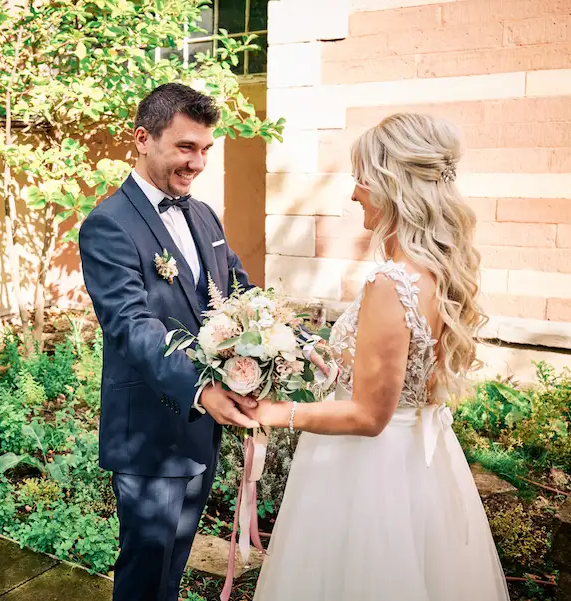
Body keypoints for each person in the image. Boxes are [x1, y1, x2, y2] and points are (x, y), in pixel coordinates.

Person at [245, 113, 511, 601]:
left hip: (368, 472)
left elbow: (369, 415)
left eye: (361, 179)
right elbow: (407, 378)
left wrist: (272, 413)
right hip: (417, 463)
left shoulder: (391, 282)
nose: (353, 194)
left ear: (392, 185)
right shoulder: (435, 271)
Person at [78, 82, 258, 601]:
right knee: (145, 570)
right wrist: (203, 390)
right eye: (185, 147)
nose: (197, 162)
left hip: (201, 429)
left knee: (173, 566)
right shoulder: (108, 224)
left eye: (205, 149)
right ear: (142, 138)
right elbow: (133, 325)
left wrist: (290, 343)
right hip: (151, 433)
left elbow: (238, 292)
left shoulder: (203, 214)